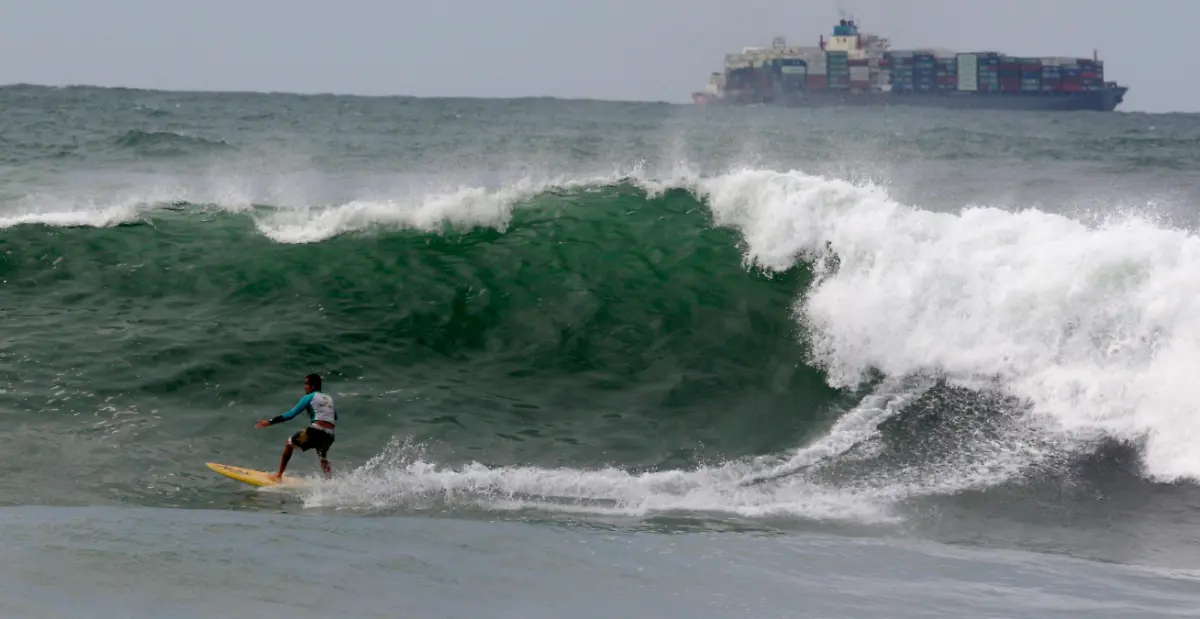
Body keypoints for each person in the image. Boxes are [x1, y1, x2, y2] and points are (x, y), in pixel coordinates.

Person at [256, 373, 337, 481]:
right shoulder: (329, 399)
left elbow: (291, 414)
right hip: (330, 435)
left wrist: (270, 422)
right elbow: (334, 416)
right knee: (323, 457)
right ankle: (330, 481)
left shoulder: (309, 397)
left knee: (289, 444)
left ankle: (278, 475)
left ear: (312, 386)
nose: (304, 387)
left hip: (317, 431)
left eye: (306, 384)